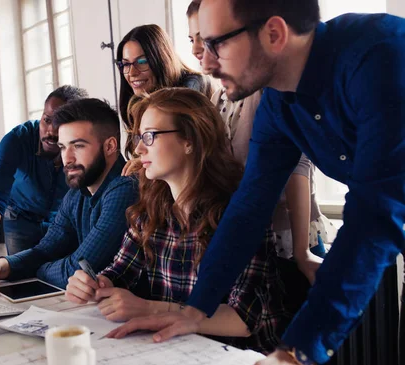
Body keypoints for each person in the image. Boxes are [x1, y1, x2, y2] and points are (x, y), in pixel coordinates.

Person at [110, 1, 405, 365]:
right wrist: (196, 308)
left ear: (274, 34)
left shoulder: (380, 59)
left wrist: (297, 351)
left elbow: (374, 214)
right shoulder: (279, 103)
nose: (205, 62)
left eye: (217, 43)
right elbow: (248, 208)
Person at [65, 88, 290, 354]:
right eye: (139, 137)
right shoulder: (148, 212)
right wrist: (94, 285)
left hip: (240, 355)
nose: (138, 149)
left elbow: (243, 319)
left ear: (189, 141)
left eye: (149, 136)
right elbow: (120, 272)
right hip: (175, 350)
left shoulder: (239, 213)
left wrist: (148, 308)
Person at [186, 0, 330, 291]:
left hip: (291, 235)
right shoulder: (218, 98)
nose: (196, 49)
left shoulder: (266, 87)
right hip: (256, 234)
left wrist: (302, 251)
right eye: (192, 39)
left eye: (204, 37)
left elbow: (297, 168)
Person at [0, 98, 139, 293]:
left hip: (135, 312)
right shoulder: (77, 193)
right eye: (63, 147)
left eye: (78, 146)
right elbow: (45, 250)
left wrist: (35, 269)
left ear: (109, 146)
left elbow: (75, 270)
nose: (67, 158)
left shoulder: (125, 189)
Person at [0, 86, 88, 283]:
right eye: (47, 119)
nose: (51, 130)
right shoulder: (16, 140)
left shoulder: (83, 149)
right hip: (20, 219)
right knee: (19, 280)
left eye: (61, 123)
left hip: (61, 224)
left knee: (60, 280)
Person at [116, 24, 214, 157]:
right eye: (126, 64)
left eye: (143, 61)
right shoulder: (136, 101)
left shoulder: (194, 85)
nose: (132, 73)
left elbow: (185, 152)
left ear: (161, 60)